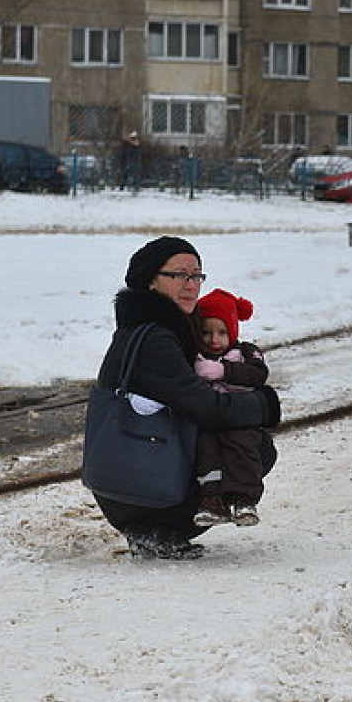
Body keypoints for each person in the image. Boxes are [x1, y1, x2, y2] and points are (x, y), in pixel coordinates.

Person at [89, 236, 281, 558]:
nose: (191, 285)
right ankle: (160, 530)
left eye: (196, 276)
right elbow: (207, 409)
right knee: (255, 446)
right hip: (140, 487)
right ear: (151, 280)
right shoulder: (157, 340)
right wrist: (264, 404)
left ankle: (156, 526)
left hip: (124, 476)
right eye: (179, 275)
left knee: (227, 439)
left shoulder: (145, 327)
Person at [192, 288, 278, 528]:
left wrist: (225, 371)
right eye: (206, 333)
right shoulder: (196, 356)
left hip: (240, 418)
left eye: (221, 332)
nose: (214, 340)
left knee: (241, 450)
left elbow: (258, 374)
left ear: (233, 330)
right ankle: (211, 500)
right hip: (208, 420)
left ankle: (244, 499)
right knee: (206, 451)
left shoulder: (245, 352)